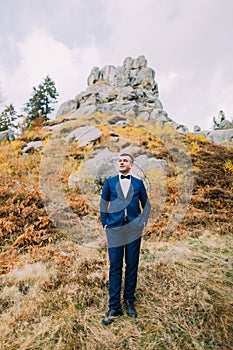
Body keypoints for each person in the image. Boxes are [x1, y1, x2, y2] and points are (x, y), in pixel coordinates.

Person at [100, 153, 151, 325]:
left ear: (132, 165)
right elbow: (103, 203)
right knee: (115, 266)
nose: (122, 162)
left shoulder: (138, 183)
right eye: (120, 161)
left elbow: (146, 204)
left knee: (132, 265)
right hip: (114, 229)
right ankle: (114, 306)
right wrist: (105, 222)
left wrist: (143, 221)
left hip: (133, 230)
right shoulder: (109, 182)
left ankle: (129, 300)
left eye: (125, 160)